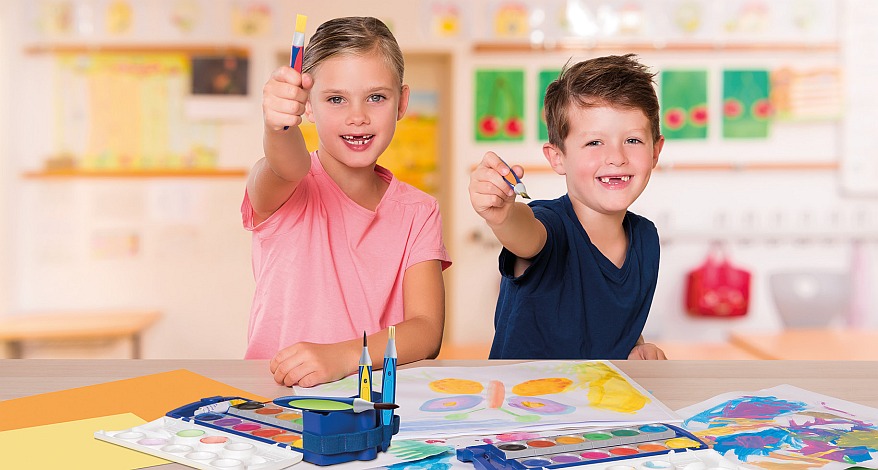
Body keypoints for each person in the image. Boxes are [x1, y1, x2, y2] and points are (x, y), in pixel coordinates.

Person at [243, 16, 451, 387]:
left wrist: (343, 356)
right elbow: (287, 164)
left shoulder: (419, 211)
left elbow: (426, 331)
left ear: (402, 102)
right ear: (306, 105)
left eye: (376, 97)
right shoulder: (286, 185)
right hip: (274, 401)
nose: (358, 116)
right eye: (336, 99)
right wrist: (278, 127)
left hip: (375, 405)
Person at [469, 54, 667, 360]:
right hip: (523, 405)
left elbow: (607, 319)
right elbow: (526, 235)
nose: (616, 157)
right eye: (594, 143)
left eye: (632, 140)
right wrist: (503, 216)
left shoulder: (646, 239)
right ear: (557, 157)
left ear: (656, 151)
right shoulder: (549, 226)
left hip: (600, 405)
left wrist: (637, 347)